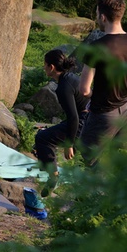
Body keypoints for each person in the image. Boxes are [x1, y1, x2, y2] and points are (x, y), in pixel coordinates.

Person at [78, 0, 127, 166]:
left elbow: (84, 89)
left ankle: (88, 194)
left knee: (85, 161)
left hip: (103, 115)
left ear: (102, 17)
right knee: (119, 166)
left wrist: (100, 95)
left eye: (96, 14)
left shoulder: (97, 47)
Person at [33, 49, 90, 179]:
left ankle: (52, 177)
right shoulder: (72, 77)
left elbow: (73, 118)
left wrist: (69, 144)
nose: (43, 67)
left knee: (42, 138)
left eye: (45, 64)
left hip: (84, 120)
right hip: (91, 117)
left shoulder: (63, 88)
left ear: (51, 67)